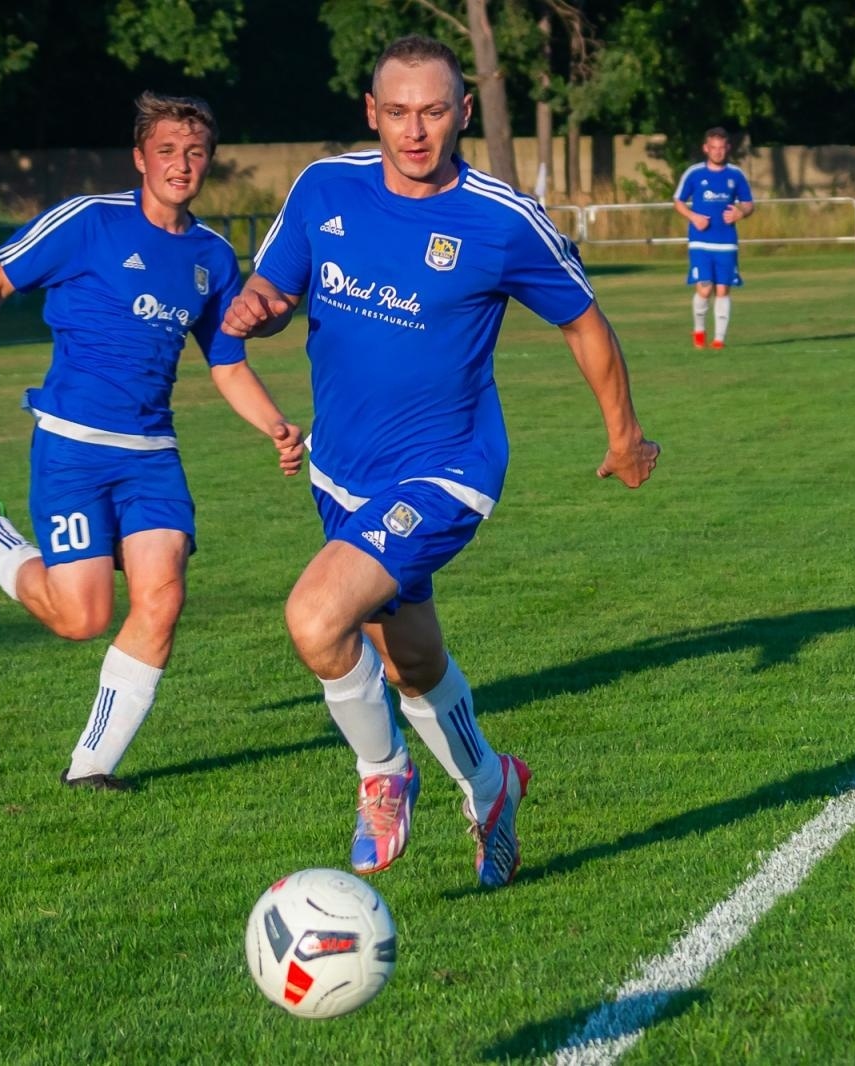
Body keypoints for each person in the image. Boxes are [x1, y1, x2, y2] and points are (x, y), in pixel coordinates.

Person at [221, 35, 660, 888]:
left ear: (462, 112)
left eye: (432, 112)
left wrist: (623, 436)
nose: (415, 131)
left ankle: (382, 775)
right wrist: (259, 305)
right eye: (397, 113)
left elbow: (584, 322)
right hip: (342, 470)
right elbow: (277, 291)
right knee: (408, 661)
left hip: (446, 470)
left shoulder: (501, 218)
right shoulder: (323, 188)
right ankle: (494, 787)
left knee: (316, 619)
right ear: (371, 114)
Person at [0, 92, 303, 789]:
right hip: (73, 448)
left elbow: (225, 361)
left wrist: (273, 424)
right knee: (82, 617)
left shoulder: (213, 258)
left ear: (207, 161)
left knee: (163, 599)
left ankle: (91, 766)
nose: (181, 165)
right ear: (140, 158)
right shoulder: (90, 222)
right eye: (166, 151)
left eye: (194, 153)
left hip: (152, 458)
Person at [673, 127, 754, 349]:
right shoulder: (694, 174)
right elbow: (678, 201)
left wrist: (741, 213)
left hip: (726, 242)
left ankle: (719, 340)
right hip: (700, 240)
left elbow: (748, 204)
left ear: (727, 148)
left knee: (722, 289)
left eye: (721, 148)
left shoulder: (735, 175)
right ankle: (699, 331)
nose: (717, 152)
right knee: (705, 287)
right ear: (705, 148)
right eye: (713, 148)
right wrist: (693, 216)